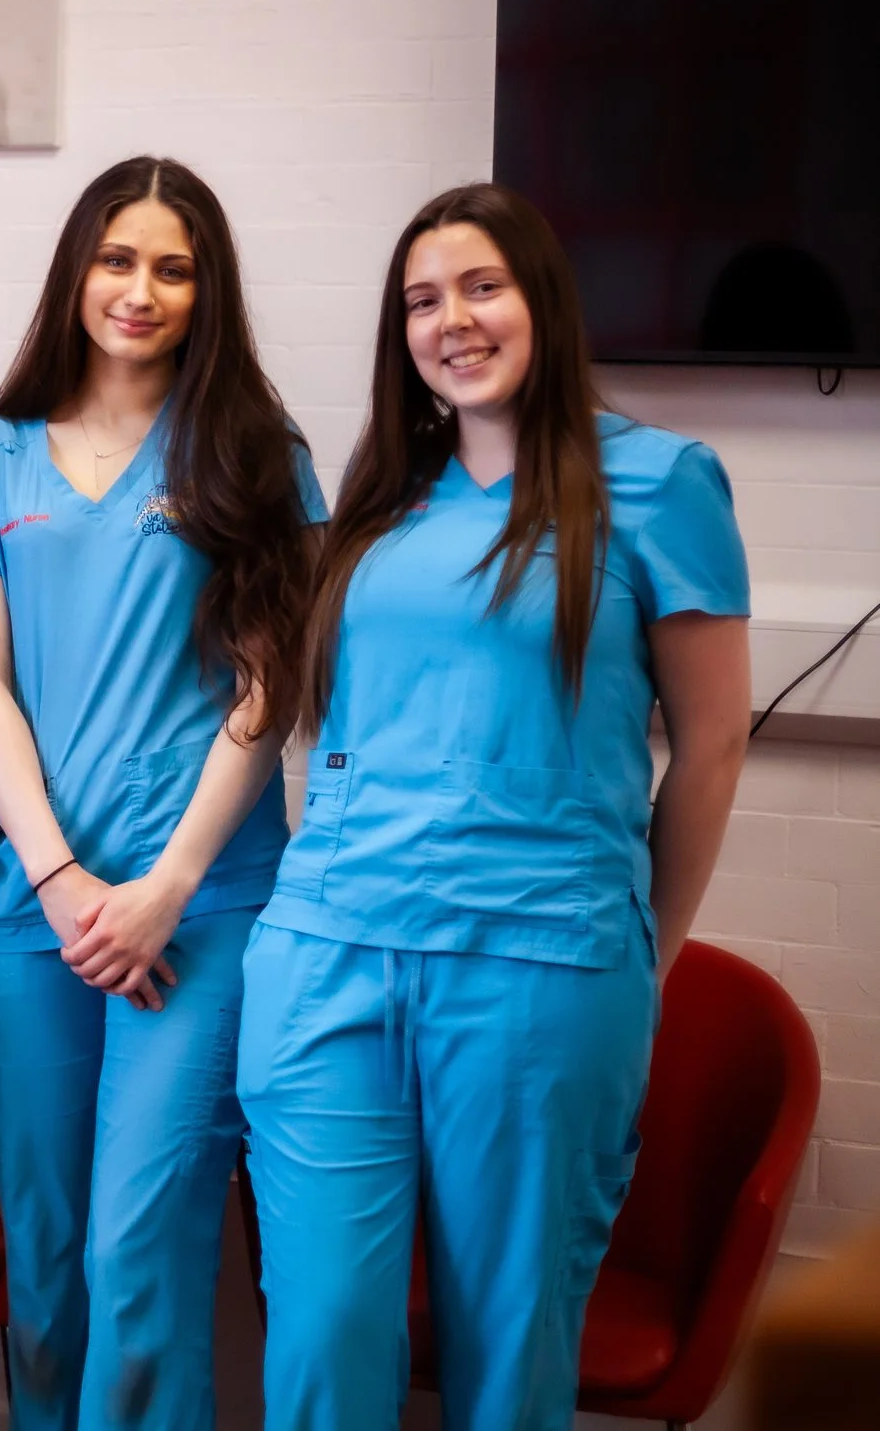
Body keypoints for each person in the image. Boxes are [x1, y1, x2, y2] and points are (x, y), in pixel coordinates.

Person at [239, 183, 752, 1430]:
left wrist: (644, 951)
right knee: (318, 1335)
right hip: (326, 956)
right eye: (421, 299)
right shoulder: (378, 492)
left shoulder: (660, 481)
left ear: (542, 303)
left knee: (511, 1354)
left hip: (538, 964)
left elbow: (715, 742)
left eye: (481, 287)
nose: (451, 320)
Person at [0, 157, 326, 1430]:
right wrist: (60, 885)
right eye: (118, 258)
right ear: (75, 271)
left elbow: (269, 690)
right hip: (25, 908)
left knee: (138, 1255)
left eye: (172, 265)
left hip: (199, 911)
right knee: (46, 1265)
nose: (140, 289)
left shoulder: (256, 451)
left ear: (205, 290)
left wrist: (161, 888)